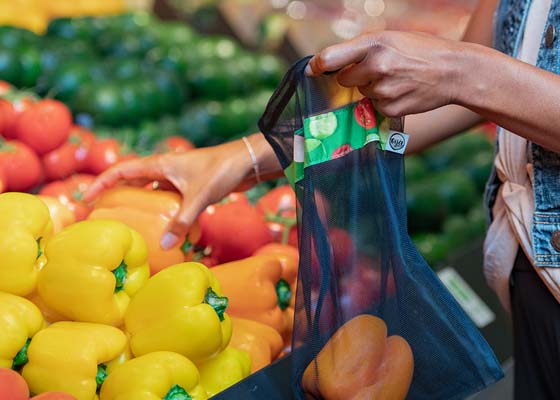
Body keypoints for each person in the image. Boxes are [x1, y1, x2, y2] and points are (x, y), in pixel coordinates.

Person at [85, 0, 560, 397]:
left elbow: (469, 75)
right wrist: (250, 155)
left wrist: (459, 70)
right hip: (527, 270)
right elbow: (470, 85)